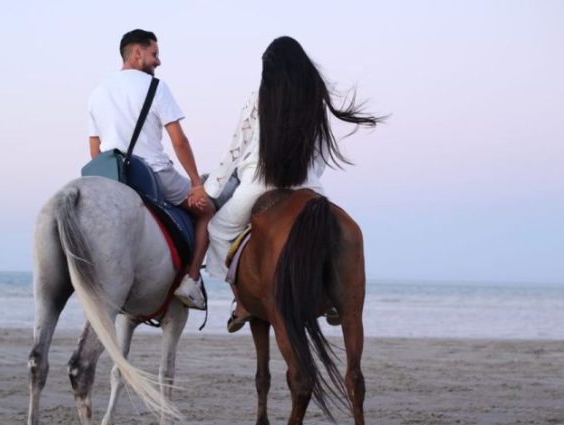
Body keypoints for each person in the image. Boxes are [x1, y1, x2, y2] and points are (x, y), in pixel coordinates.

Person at [201, 36, 383, 331]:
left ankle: (243, 301)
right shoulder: (314, 100)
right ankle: (335, 299)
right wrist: (309, 179)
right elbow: (323, 153)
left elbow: (235, 148)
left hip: (257, 186)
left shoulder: (257, 98)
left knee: (218, 230)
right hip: (309, 187)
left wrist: (210, 189)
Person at [88, 29, 214, 310]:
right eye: (154, 54)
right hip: (154, 173)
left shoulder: (97, 93)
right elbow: (179, 140)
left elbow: (94, 150)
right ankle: (191, 281)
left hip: (115, 178)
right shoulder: (157, 88)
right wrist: (196, 182)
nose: (158, 62)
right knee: (208, 212)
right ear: (136, 52)